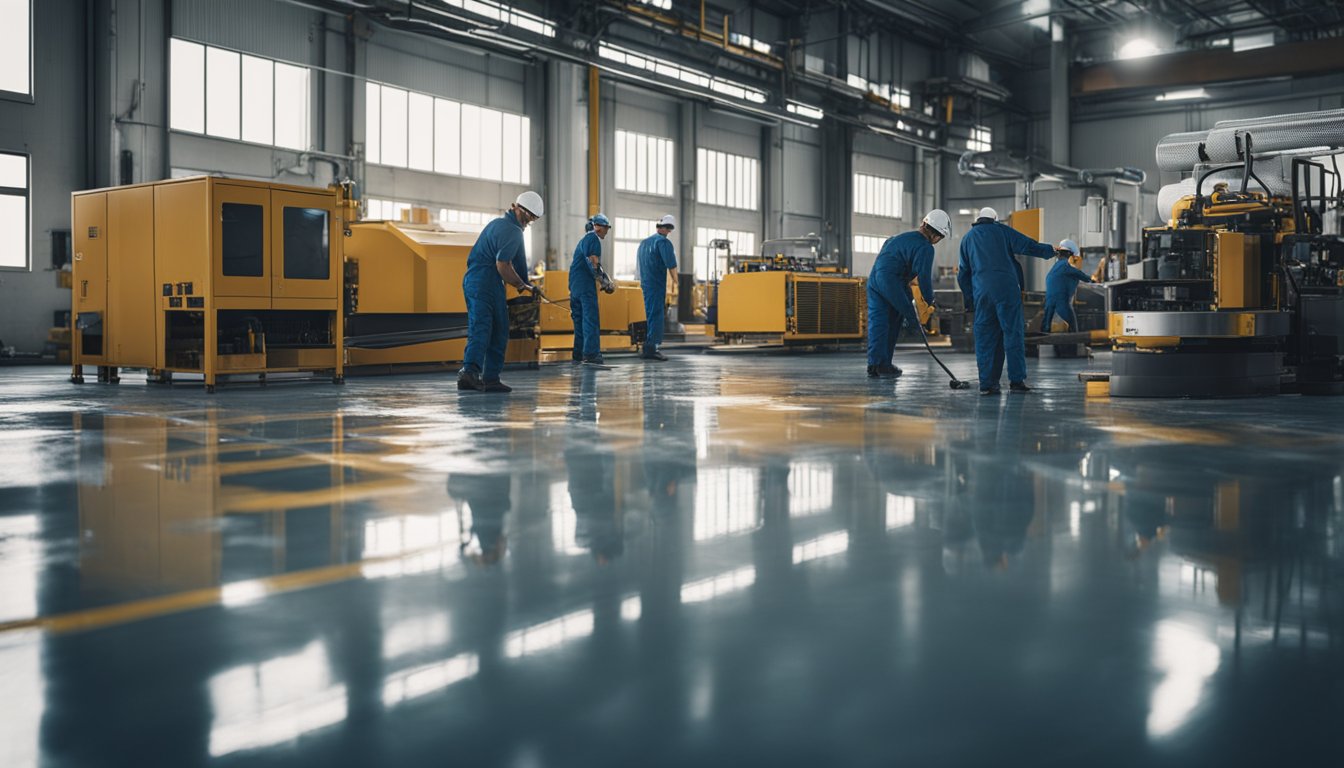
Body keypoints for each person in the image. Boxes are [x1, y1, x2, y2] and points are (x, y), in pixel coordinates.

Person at [957, 206, 1065, 395]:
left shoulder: (967, 239)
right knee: (1012, 334)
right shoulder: (1002, 231)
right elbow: (1027, 246)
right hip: (1006, 290)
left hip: (982, 293)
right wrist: (1051, 251)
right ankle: (1016, 382)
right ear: (995, 219)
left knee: (986, 339)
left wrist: (970, 299)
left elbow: (963, 274)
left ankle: (988, 384)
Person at [458, 191, 544, 393]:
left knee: (498, 329)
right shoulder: (512, 231)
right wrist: (523, 286)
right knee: (482, 328)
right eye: (529, 217)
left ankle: (490, 378)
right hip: (485, 281)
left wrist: (525, 284)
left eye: (533, 219)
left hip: (482, 281)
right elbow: (503, 265)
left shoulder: (499, 224)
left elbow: (513, 265)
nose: (529, 222)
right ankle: (470, 373)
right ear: (517, 208)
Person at [866, 209, 950, 378]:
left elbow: (886, 256)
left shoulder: (898, 238)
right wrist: (930, 301)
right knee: (903, 317)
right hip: (891, 281)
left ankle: (875, 365)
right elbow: (924, 277)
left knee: (879, 323)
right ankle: (884, 364)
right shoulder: (925, 247)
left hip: (874, 280)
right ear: (936, 235)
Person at [570, 213, 612, 364]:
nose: (607, 231)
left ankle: (578, 354)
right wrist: (603, 281)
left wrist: (603, 277)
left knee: (580, 321)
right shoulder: (593, 238)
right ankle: (591, 354)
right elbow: (593, 262)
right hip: (585, 287)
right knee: (590, 319)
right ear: (598, 227)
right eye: (606, 227)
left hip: (575, 287)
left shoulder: (583, 240)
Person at [637, 214, 679, 361]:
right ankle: (652, 348)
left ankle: (647, 347)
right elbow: (671, 264)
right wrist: (676, 283)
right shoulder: (663, 243)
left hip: (646, 284)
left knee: (650, 315)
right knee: (656, 316)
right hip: (656, 285)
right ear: (669, 229)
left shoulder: (644, 243)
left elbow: (640, 266)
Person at [1040, 239, 1093, 333]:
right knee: (1073, 325)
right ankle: (1074, 344)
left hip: (1050, 299)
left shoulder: (1055, 267)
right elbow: (1080, 275)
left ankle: (1042, 345)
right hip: (1061, 300)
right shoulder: (1067, 266)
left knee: (1046, 325)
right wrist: (1092, 280)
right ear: (1070, 255)